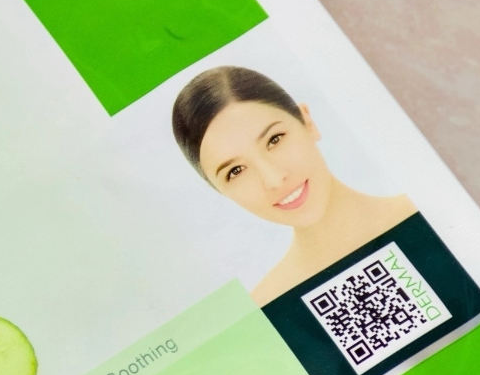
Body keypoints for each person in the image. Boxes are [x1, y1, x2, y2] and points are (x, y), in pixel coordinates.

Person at [172, 65, 415, 305]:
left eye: (274, 139)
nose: (274, 179)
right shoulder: (264, 307)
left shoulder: (426, 206)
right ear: (218, 190)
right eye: (235, 171)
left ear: (308, 122)